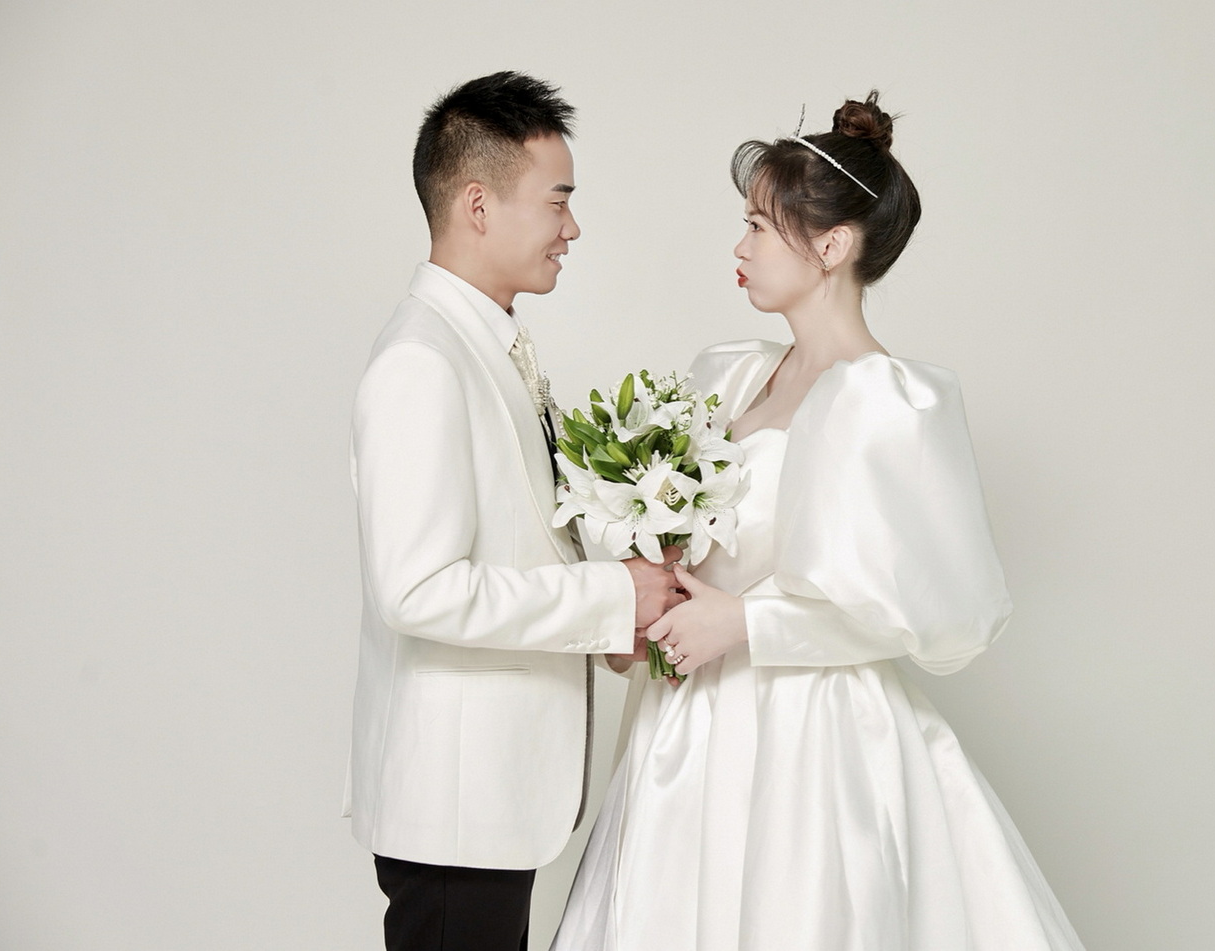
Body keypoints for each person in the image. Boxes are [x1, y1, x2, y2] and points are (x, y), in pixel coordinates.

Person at [551, 93, 1085, 950]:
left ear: (831, 246)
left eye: (760, 225)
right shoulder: (730, 375)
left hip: (810, 733)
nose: (741, 246)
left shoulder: (889, 402)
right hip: (691, 722)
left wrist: (745, 622)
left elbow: (929, 612)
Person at [344, 72, 684, 951]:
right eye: (557, 201)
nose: (573, 227)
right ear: (478, 204)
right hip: (454, 809)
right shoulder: (422, 361)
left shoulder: (480, 342)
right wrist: (613, 596)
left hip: (488, 804)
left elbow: (519, 537)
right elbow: (418, 589)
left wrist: (621, 618)